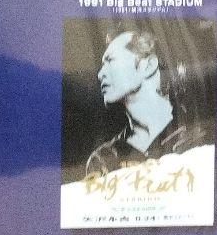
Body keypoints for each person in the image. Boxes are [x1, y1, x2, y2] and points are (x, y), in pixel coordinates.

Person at [84, 27, 206, 179]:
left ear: (149, 66)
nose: (100, 73)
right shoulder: (104, 159)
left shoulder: (197, 133)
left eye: (111, 61)